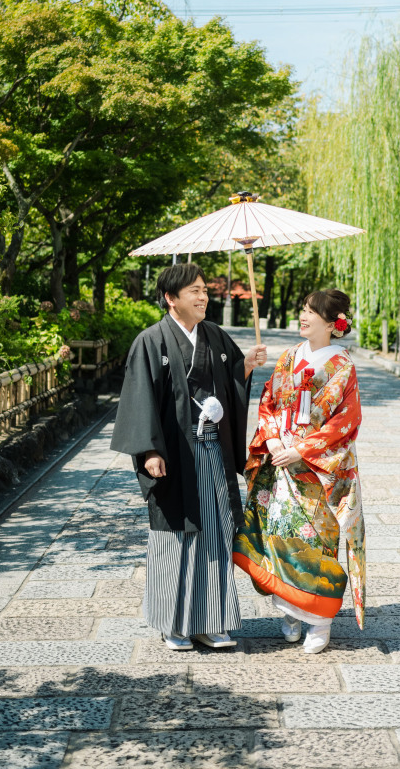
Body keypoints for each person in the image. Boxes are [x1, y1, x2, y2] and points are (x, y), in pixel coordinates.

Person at [110, 262, 267, 651]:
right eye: (194, 291)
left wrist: (245, 366)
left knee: (215, 533)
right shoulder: (150, 342)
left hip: (211, 450)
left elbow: (230, 380)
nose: (203, 297)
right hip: (174, 454)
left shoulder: (213, 335)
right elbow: (140, 400)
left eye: (203, 290)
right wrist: (149, 451)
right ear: (170, 298)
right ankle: (173, 623)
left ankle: (210, 620)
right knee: (175, 535)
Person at [233, 288, 366, 654]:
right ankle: (290, 612)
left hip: (316, 470)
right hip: (281, 463)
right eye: (303, 309)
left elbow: (346, 421)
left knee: (315, 540)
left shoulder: (342, 366)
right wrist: (274, 440)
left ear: (332, 322)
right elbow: (269, 400)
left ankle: (318, 621)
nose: (303, 316)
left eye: (311, 312)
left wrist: (301, 450)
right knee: (278, 533)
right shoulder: (290, 356)